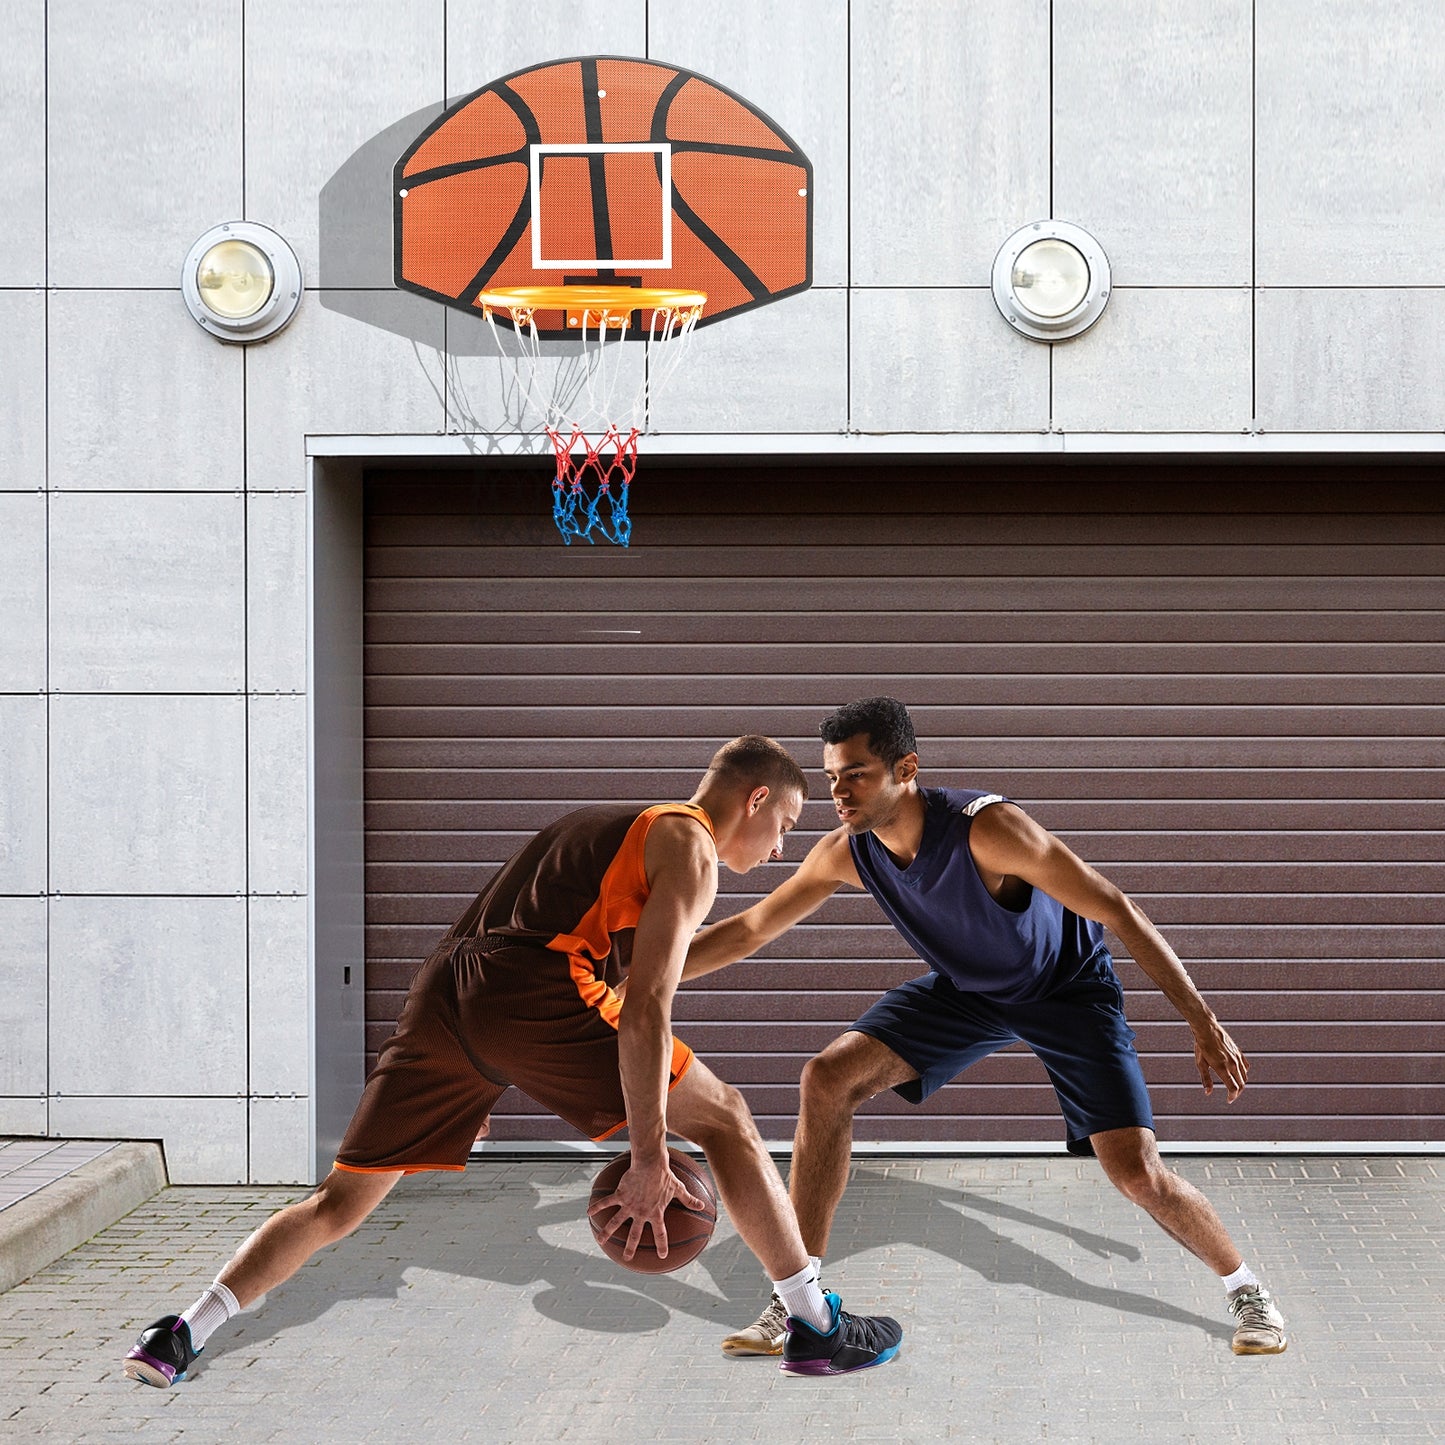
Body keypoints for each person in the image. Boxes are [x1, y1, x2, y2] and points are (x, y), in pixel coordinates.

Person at [122, 736, 902, 1387]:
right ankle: (813, 1323)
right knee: (726, 1116)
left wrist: (486, 1062)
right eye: (787, 827)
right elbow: (647, 1006)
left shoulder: (618, 831)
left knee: (338, 1205)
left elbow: (649, 964)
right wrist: (647, 1152)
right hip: (531, 989)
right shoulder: (688, 844)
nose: (780, 849)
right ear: (755, 799)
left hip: (448, 995)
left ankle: (181, 1331)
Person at [681, 700, 1287, 1360]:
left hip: (1067, 992)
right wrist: (640, 977)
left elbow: (1117, 907)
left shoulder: (990, 830)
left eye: (854, 774)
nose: (838, 792)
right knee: (826, 1077)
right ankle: (794, 1296)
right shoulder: (848, 853)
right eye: (830, 777)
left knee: (1138, 1174)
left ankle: (1246, 1290)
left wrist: (1201, 1020)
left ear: (905, 768)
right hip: (970, 993)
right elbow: (747, 929)